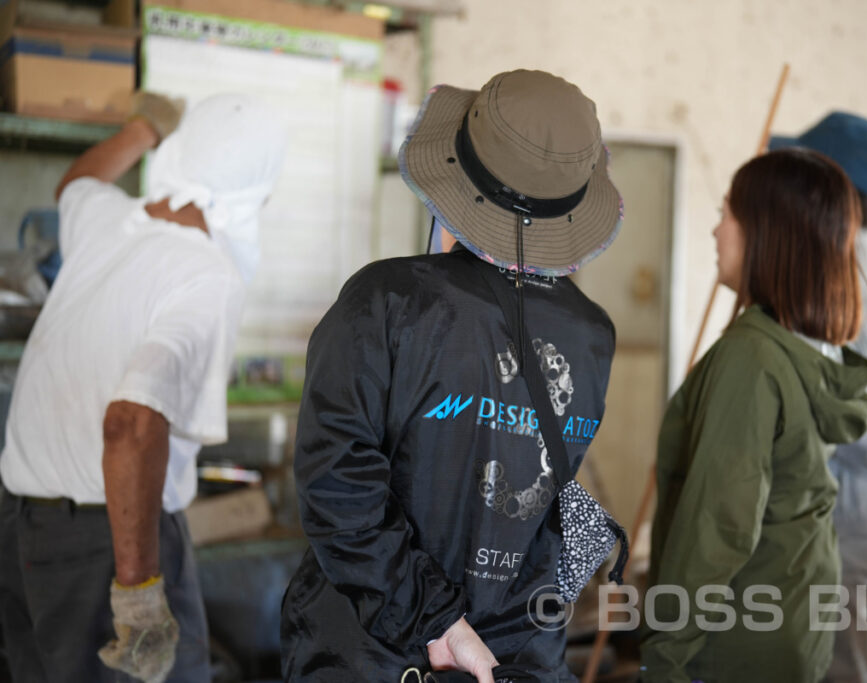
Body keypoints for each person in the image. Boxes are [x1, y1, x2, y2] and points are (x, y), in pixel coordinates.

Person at [280, 69, 622, 682]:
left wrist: (436, 621)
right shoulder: (591, 334)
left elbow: (337, 485)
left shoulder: (387, 302)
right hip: (520, 656)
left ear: (453, 182)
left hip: (376, 656)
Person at [0, 93, 287, 682]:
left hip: (23, 526)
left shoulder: (107, 220)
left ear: (178, 152)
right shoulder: (209, 274)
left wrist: (143, 128)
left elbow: (76, 183)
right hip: (109, 543)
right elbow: (131, 422)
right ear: (258, 195)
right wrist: (138, 597)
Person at [640, 148, 867, 683]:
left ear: (767, 232)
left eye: (727, 212)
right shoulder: (812, 348)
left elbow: (718, 526)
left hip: (732, 646)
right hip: (795, 624)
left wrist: (665, 656)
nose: (715, 230)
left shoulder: (752, 357)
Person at [770, 112, 867, 683]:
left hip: (855, 514)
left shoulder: (835, 276)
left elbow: (855, 429)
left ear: (830, 181)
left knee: (842, 667)